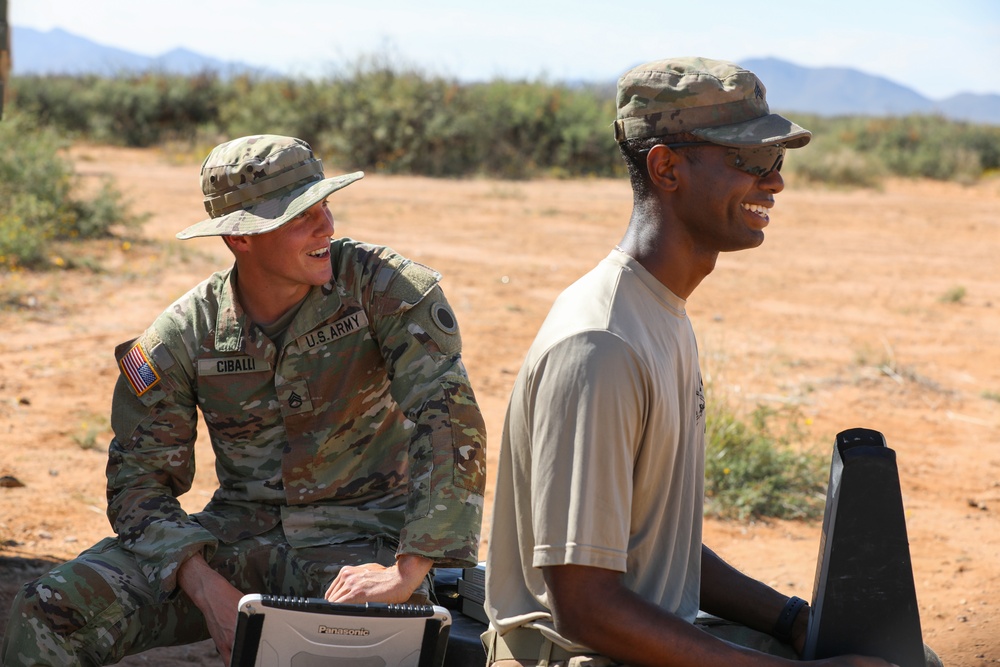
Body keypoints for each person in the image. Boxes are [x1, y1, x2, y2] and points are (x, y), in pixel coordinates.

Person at [482, 57, 938, 667]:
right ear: (666, 166)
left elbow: (655, 546)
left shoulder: (659, 311)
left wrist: (793, 621)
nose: (774, 182)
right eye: (750, 161)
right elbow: (585, 607)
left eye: (777, 160)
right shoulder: (601, 344)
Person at [3, 134, 487, 666]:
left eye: (324, 204)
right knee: (50, 609)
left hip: (364, 542)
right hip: (235, 540)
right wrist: (205, 586)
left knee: (378, 646)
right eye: (300, 214)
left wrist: (407, 571)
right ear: (240, 238)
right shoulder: (184, 336)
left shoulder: (382, 288)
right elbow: (138, 484)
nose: (325, 225)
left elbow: (449, 423)